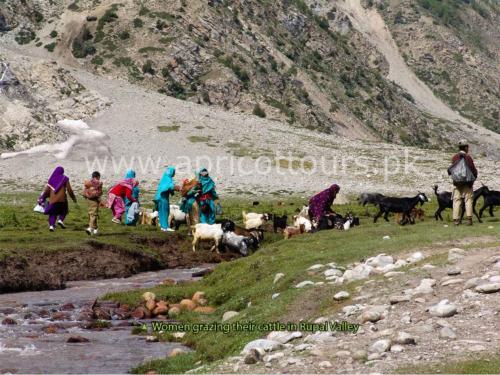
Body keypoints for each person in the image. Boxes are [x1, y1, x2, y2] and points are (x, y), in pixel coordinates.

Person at [37, 166, 77, 232]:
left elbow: (47, 191)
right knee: (64, 211)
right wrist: (73, 198)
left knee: (53, 213)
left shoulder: (51, 180)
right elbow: (70, 190)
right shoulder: (65, 178)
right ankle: (60, 220)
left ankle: (51, 226)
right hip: (62, 200)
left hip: (53, 201)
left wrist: (42, 197)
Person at [450, 140, 478, 226]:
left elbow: (452, 170)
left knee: (456, 200)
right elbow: (473, 170)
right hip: (467, 182)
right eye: (467, 147)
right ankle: (469, 219)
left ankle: (456, 220)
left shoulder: (454, 157)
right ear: (466, 147)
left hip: (457, 183)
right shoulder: (468, 158)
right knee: (468, 199)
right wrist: (474, 178)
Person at [154, 166, 176, 232]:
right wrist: (175, 188)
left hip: (159, 197)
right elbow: (169, 187)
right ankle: (165, 227)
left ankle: (163, 227)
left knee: (161, 212)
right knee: (165, 212)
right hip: (163, 198)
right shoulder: (168, 178)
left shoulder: (164, 177)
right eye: (174, 172)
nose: (174, 174)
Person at [83, 171, 103, 236]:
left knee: (90, 214)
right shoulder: (99, 183)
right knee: (94, 214)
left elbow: (84, 191)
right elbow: (99, 193)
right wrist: (100, 199)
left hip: (88, 200)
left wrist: (86, 196)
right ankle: (90, 228)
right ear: (98, 176)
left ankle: (95, 230)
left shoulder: (88, 182)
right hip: (95, 200)